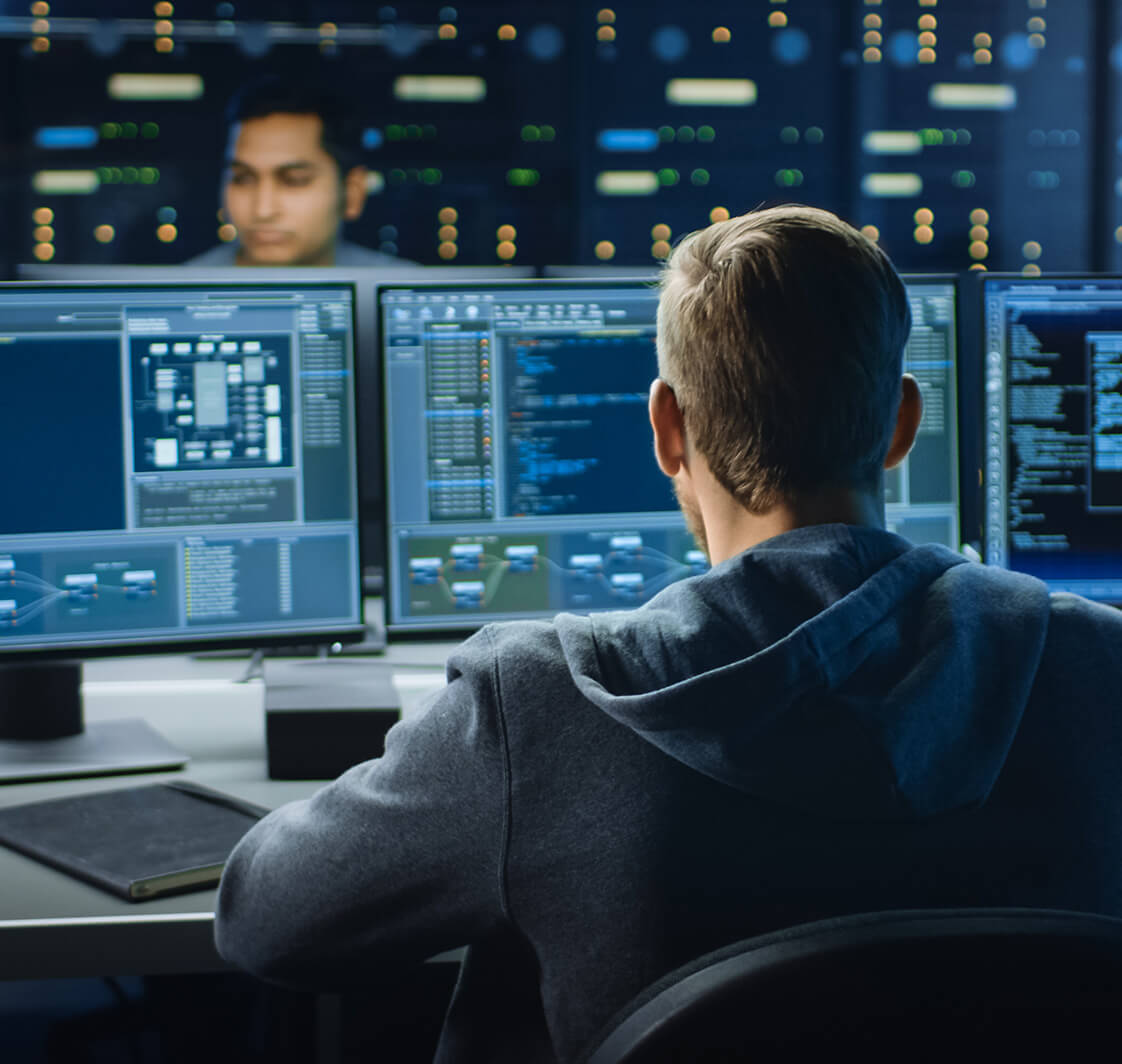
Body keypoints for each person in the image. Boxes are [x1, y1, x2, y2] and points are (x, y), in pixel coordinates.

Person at [214, 206, 1122, 1062]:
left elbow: (267, 922)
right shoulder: (1095, 664)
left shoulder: (534, 706)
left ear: (666, 428)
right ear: (902, 426)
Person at [186, 76, 408, 268]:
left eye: (294, 181)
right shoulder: (181, 293)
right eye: (242, 179)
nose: (263, 210)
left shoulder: (403, 291)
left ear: (352, 193)